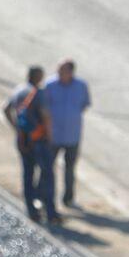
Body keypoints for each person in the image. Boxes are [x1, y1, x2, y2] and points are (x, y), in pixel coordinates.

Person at [3, 66, 59, 225]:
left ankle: (32, 211)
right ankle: (50, 212)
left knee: (28, 175)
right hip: (39, 140)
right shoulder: (38, 93)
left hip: (23, 139)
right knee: (47, 175)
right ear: (39, 77)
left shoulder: (18, 91)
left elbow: (6, 109)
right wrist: (49, 136)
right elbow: (45, 115)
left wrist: (16, 128)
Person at [42, 58, 90, 208]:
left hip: (72, 135)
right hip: (53, 135)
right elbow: (44, 107)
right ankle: (45, 197)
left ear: (70, 72)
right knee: (48, 168)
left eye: (63, 70)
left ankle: (68, 198)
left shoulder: (81, 86)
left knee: (70, 169)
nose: (60, 72)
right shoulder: (50, 85)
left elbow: (84, 105)